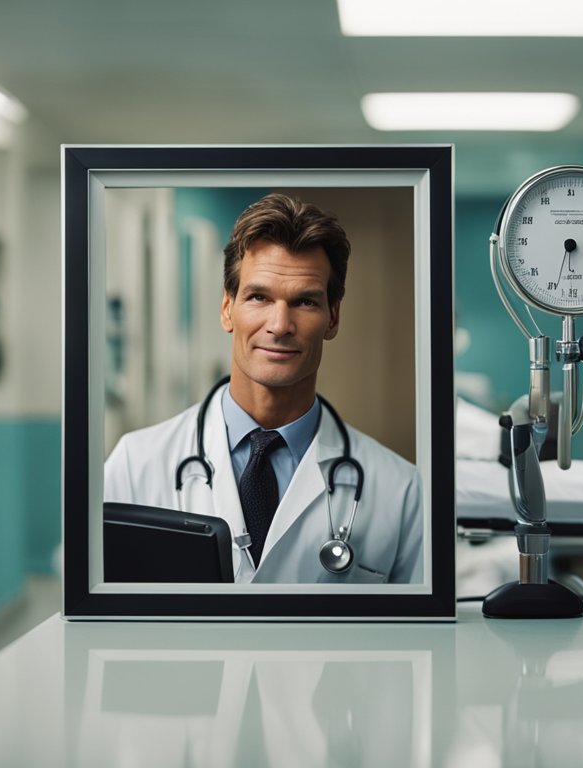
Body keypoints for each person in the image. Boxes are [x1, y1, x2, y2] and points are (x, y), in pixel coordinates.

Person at [104, 192, 423, 583]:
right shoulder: (136, 466)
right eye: (258, 297)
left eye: (305, 302)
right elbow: (98, 626)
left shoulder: (400, 489)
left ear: (333, 317)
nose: (279, 325)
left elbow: (418, 641)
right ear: (227, 309)